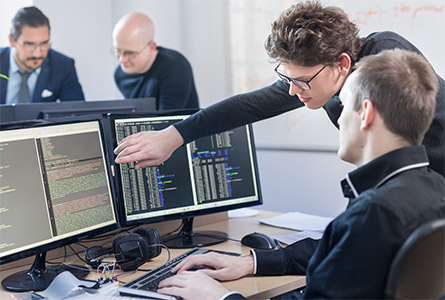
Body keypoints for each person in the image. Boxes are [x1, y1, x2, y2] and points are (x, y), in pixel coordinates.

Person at [156, 49, 445, 299]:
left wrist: (220, 296)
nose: (339, 117)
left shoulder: (373, 215)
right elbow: (346, 254)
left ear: (365, 113)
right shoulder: (433, 190)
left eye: (343, 105)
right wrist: (255, 262)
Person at [114, 1, 445, 177]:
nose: (292, 92)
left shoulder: (385, 63)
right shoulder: (321, 80)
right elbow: (252, 105)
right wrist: (174, 136)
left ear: (342, 65)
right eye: (289, 79)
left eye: (301, 82)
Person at [112, 12, 199, 110]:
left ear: (151, 47)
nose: (122, 60)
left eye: (130, 53)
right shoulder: (120, 74)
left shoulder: (175, 68)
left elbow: (168, 121)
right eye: (118, 50)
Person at [0, 6, 85, 104]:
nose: (37, 54)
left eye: (44, 43)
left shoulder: (63, 66)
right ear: (12, 41)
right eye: (29, 44)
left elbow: (78, 114)